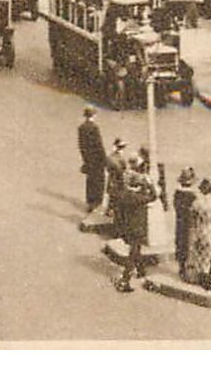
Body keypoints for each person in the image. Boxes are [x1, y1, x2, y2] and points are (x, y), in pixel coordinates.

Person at [114, 159, 157, 293]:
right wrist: (150, 185)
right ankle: (125, 280)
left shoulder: (124, 194)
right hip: (137, 228)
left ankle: (141, 270)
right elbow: (154, 196)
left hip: (127, 227)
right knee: (133, 252)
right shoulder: (138, 197)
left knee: (136, 250)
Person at [78, 107, 107, 213]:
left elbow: (81, 145)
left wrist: (85, 159)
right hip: (97, 159)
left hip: (88, 159)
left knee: (90, 180)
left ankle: (90, 202)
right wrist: (104, 160)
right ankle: (97, 203)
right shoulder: (94, 128)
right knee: (99, 181)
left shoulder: (81, 128)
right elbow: (99, 145)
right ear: (93, 115)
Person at [174, 167, 198, 278]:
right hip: (190, 224)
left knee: (180, 243)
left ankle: (181, 267)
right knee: (190, 245)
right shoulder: (192, 196)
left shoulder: (177, 194)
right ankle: (190, 270)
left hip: (180, 222)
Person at [105, 138, 129, 225]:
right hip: (118, 178)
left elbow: (107, 168)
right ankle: (113, 212)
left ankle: (109, 210)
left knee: (112, 195)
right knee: (117, 195)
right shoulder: (120, 158)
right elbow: (123, 168)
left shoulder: (110, 157)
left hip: (111, 178)